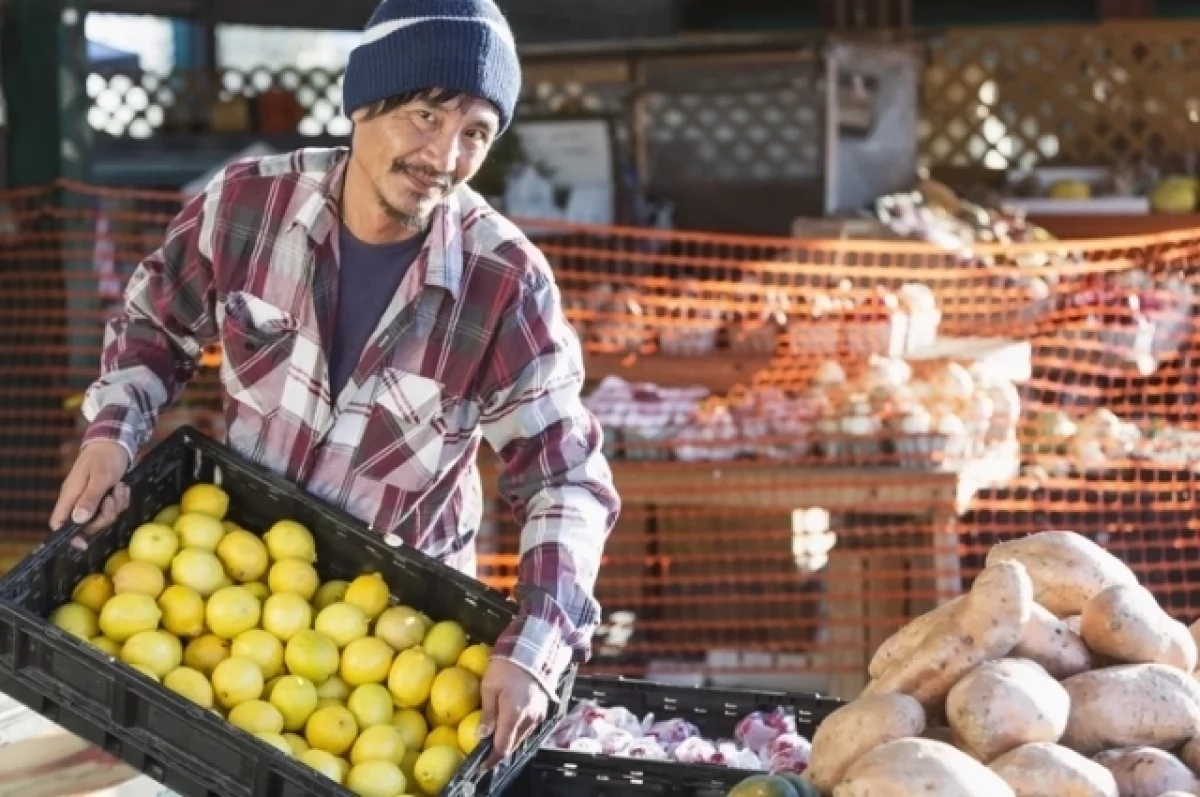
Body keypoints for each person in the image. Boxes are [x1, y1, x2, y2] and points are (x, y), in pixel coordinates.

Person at [50, 0, 619, 767]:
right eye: (425, 115)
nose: (445, 156)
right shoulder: (247, 206)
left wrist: (537, 642)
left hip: (401, 642)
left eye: (476, 133)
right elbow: (156, 322)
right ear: (363, 103)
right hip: (230, 599)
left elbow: (566, 480)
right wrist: (113, 433)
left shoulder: (504, 284)